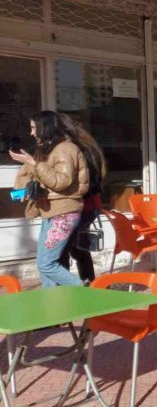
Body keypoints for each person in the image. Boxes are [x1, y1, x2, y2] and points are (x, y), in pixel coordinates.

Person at [10, 111, 87, 287]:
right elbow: (44, 177)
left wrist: (34, 163)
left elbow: (60, 181)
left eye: (33, 128)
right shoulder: (51, 149)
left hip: (63, 213)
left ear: (45, 128)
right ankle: (51, 307)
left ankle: (83, 288)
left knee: (46, 263)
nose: (31, 133)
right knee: (45, 263)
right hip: (51, 211)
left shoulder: (66, 149)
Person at [58, 118, 106, 284]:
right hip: (89, 206)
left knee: (62, 250)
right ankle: (90, 284)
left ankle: (70, 289)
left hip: (82, 207)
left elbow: (85, 182)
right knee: (78, 249)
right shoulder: (85, 145)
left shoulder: (76, 150)